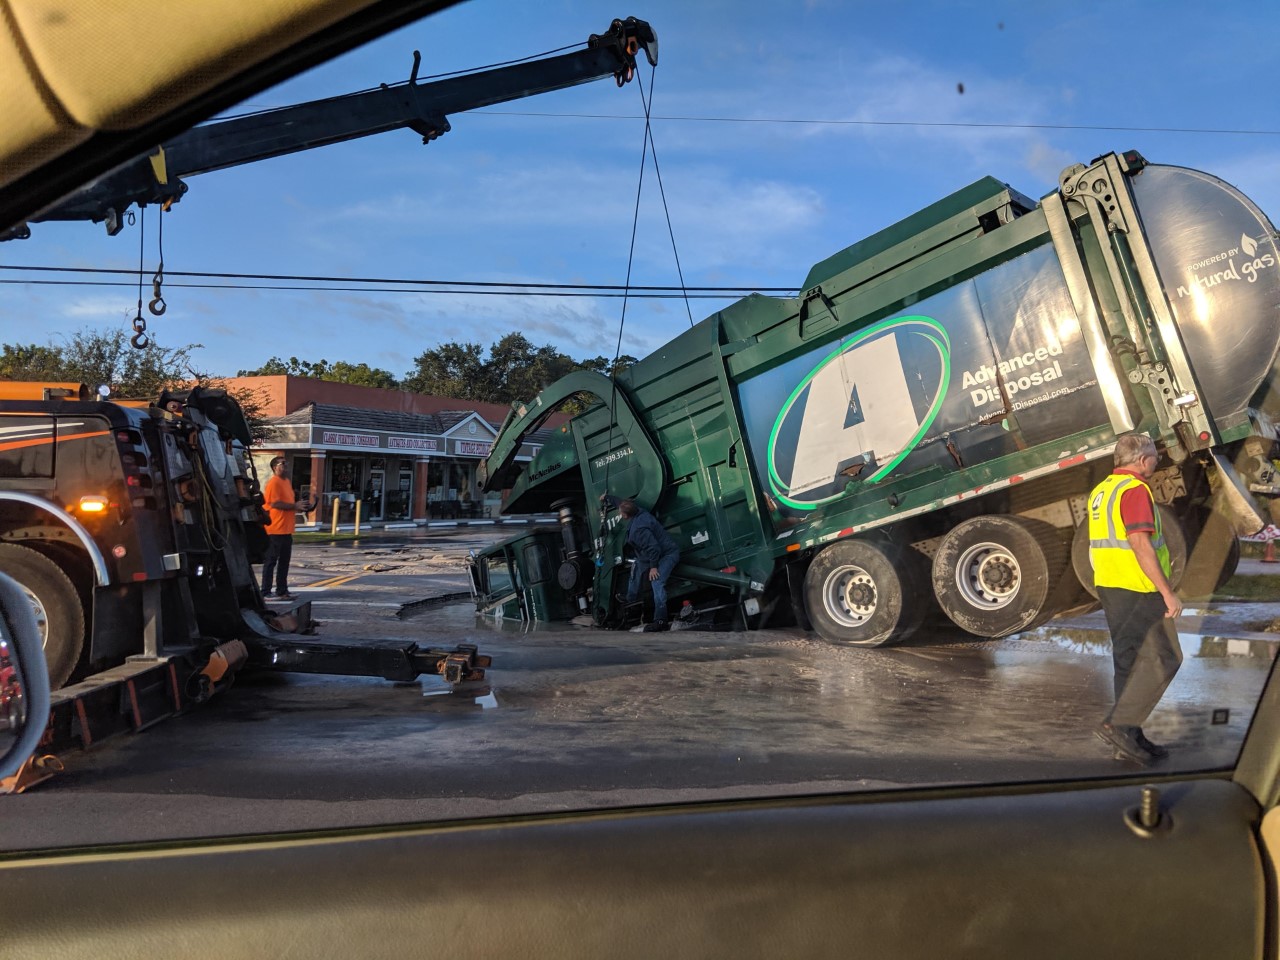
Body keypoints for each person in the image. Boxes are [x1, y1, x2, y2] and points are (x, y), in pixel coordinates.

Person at [1087, 433, 1183, 765]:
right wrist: (1168, 593)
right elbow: (1141, 544)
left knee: (1128, 661)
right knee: (1166, 659)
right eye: (1155, 456)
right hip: (1137, 588)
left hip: (1111, 587)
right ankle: (1119, 724)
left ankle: (1129, 735)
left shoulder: (1102, 490)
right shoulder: (1135, 490)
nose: (1157, 461)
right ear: (1142, 460)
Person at [602, 494, 681, 631]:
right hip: (649, 555)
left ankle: (660, 620)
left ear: (625, 516)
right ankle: (630, 599)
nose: (619, 513)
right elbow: (623, 503)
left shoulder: (638, 530)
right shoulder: (639, 511)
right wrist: (608, 497)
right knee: (636, 567)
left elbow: (654, 548)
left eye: (620, 513)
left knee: (657, 581)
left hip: (666, 554)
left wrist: (654, 567)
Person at [260, 457, 313, 601]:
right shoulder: (274, 482)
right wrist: (295, 506)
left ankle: (282, 590)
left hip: (286, 529)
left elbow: (289, 503)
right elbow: (275, 503)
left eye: (286, 462)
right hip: (275, 528)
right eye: (283, 463)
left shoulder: (286, 482)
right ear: (274, 467)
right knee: (271, 561)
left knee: (284, 561)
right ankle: (265, 591)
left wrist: (300, 505)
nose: (286, 465)